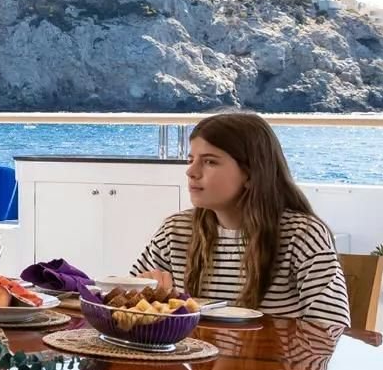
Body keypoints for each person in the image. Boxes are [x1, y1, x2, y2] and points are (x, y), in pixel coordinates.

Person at [132, 111, 351, 326]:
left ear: (251, 173)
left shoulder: (302, 236)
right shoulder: (175, 231)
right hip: (191, 360)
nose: (191, 171)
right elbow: (122, 305)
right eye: (191, 159)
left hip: (275, 362)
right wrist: (144, 294)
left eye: (210, 162)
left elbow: (331, 328)